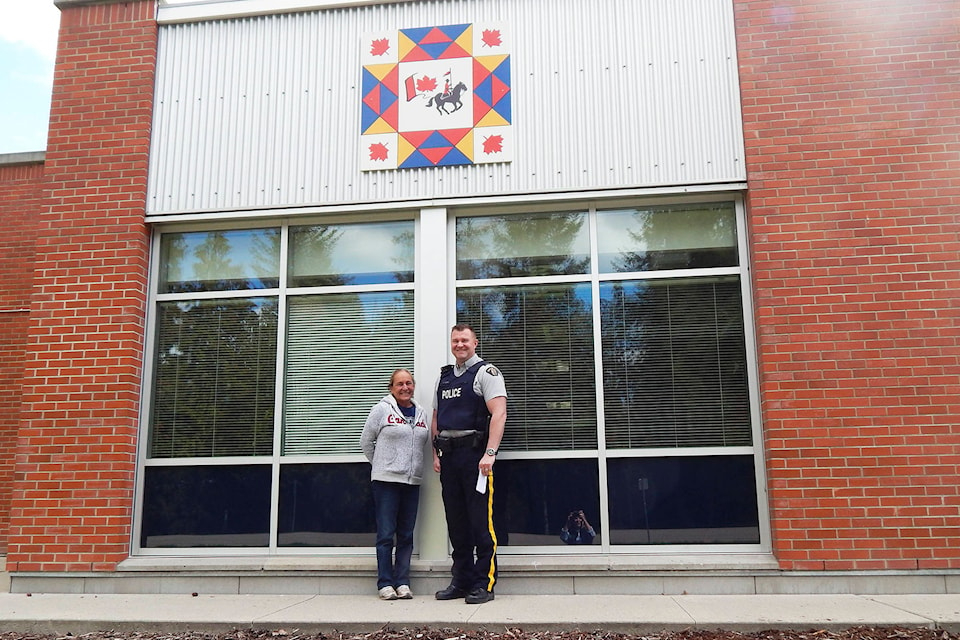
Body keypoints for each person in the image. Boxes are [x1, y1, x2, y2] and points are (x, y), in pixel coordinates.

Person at [432, 323, 507, 605]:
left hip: (475, 458)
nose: (460, 345)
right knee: (456, 522)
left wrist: (490, 452)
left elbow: (499, 413)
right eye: (455, 340)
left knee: (480, 522)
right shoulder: (445, 377)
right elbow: (436, 418)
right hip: (449, 458)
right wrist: (434, 454)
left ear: (475, 343)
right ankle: (461, 581)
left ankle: (483, 584)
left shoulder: (486, 373)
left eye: (464, 340)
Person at [360, 368, 430, 600]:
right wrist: (382, 464)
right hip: (386, 481)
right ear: (391, 388)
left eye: (409, 383)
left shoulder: (420, 412)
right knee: (386, 534)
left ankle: (402, 582)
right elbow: (365, 442)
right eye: (399, 384)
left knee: (406, 535)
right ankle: (385, 583)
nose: (405, 388)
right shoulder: (381, 410)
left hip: (411, 482)